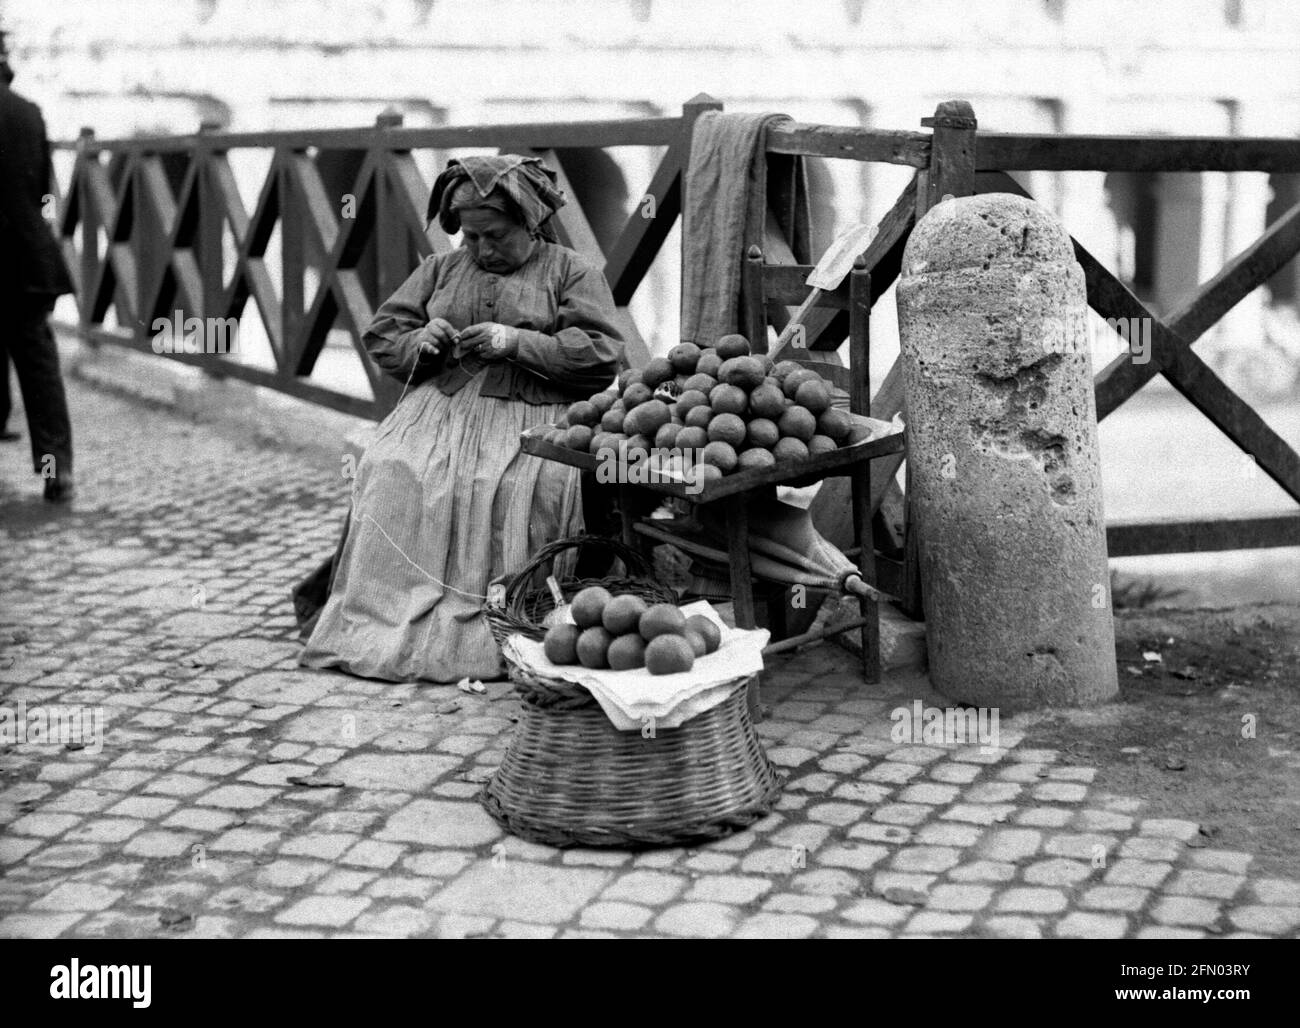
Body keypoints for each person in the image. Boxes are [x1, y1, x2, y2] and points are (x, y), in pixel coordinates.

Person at [299, 155, 624, 683]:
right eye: (470, 238)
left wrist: (517, 341)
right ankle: (382, 619)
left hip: (532, 411)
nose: (481, 250)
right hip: (442, 407)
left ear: (530, 223)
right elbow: (386, 332)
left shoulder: (571, 271)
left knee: (528, 480)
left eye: (494, 236)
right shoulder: (441, 269)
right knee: (391, 465)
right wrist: (419, 343)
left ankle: (505, 619)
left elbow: (601, 354)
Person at [0, 35, 75, 500]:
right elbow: (46, 188)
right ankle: (55, 469)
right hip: (26, 258)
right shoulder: (29, 112)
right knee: (38, 367)